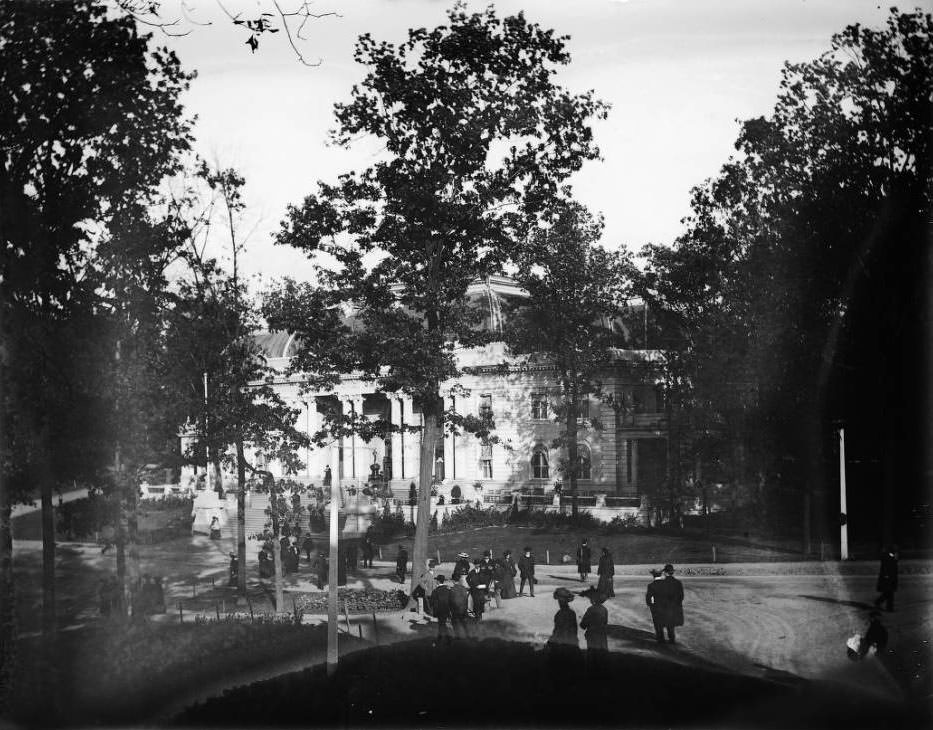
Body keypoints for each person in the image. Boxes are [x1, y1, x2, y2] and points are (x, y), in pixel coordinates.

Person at [579, 586, 609, 673]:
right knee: (602, 656)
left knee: (592, 656)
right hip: (602, 635)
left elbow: (583, 625)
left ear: (593, 600)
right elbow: (605, 622)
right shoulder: (604, 610)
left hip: (592, 635)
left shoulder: (591, 609)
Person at [658, 563, 685, 643]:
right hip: (674, 607)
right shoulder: (678, 582)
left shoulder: (662, 583)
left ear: (665, 572)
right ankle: (672, 639)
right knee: (671, 624)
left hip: (665, 607)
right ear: (672, 572)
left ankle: (663, 639)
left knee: (662, 623)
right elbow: (681, 596)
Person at [874, 545, 899, 612]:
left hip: (891, 577)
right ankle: (889, 608)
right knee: (890, 593)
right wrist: (886, 575)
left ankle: (879, 602)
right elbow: (886, 566)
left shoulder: (891, 556)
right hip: (888, 577)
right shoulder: (888, 556)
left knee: (888, 592)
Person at [645, 568, 666, 642]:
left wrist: (650, 605)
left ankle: (659, 635)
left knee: (657, 621)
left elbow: (648, 597)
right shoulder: (665, 584)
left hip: (656, 606)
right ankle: (663, 635)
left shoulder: (651, 585)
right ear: (661, 574)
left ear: (653, 575)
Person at [432, 575, 453, 646]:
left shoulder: (435, 591)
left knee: (442, 625)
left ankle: (442, 639)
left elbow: (433, 603)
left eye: (436, 580)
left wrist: (434, 612)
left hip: (440, 610)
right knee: (442, 624)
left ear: (437, 581)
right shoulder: (448, 589)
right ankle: (445, 639)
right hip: (447, 609)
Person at [449, 575, 471, 639]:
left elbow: (451, 601)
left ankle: (457, 636)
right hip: (463, 609)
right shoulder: (464, 588)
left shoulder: (452, 590)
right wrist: (465, 608)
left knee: (455, 623)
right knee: (464, 623)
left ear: (453, 581)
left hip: (456, 610)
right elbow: (466, 599)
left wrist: (451, 611)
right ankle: (468, 635)